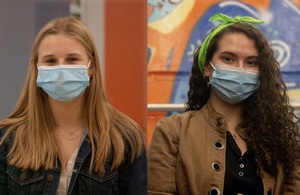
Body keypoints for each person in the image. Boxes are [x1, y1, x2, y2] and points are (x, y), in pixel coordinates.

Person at [148, 13, 300, 195]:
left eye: (251, 62)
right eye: (228, 59)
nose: (240, 69)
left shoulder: (280, 138)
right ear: (207, 67)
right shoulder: (173, 132)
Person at [0, 16, 147, 194]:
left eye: (72, 59)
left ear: (91, 67)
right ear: (35, 67)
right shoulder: (7, 139)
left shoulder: (124, 137)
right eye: (50, 61)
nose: (61, 69)